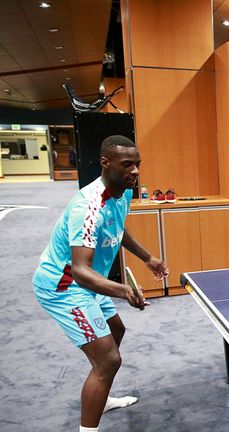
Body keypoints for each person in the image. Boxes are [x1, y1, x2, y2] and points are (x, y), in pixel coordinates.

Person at [32, 135, 169, 432]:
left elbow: (118, 228)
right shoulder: (87, 206)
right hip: (64, 287)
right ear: (106, 163)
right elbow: (80, 271)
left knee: (116, 330)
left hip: (88, 282)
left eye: (137, 164)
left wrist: (148, 258)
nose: (135, 171)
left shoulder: (123, 192)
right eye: (127, 164)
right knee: (108, 359)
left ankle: (100, 393)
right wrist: (123, 291)